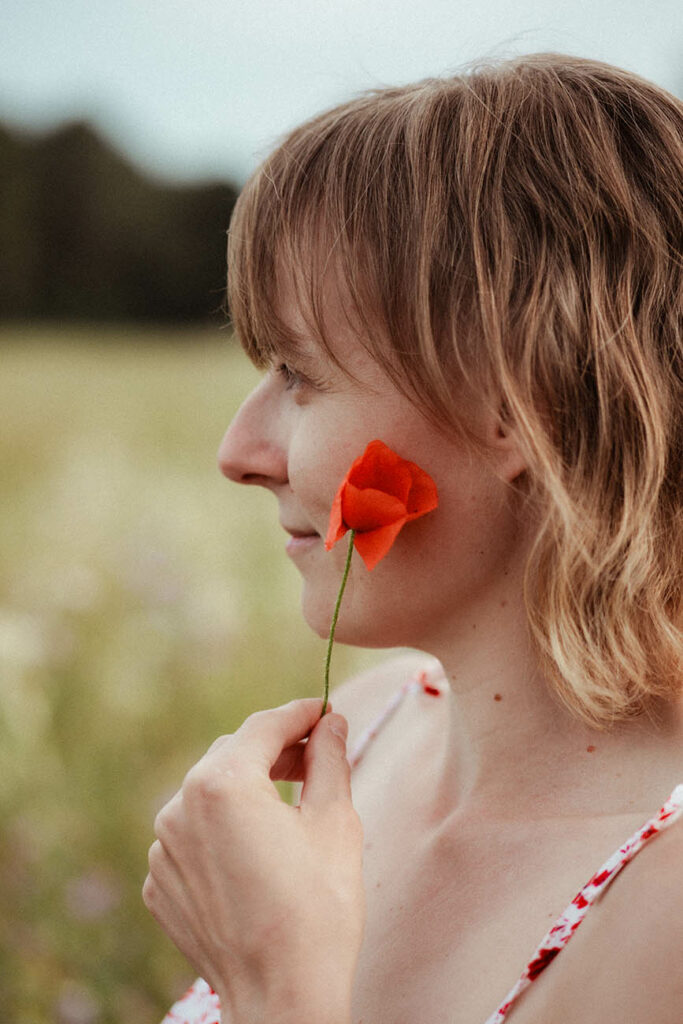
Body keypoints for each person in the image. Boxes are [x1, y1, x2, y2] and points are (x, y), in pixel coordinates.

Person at [143, 53, 683, 1023]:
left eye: (299, 375)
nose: (239, 452)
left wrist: (279, 987)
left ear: (517, 407)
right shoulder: (371, 722)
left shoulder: (667, 918)